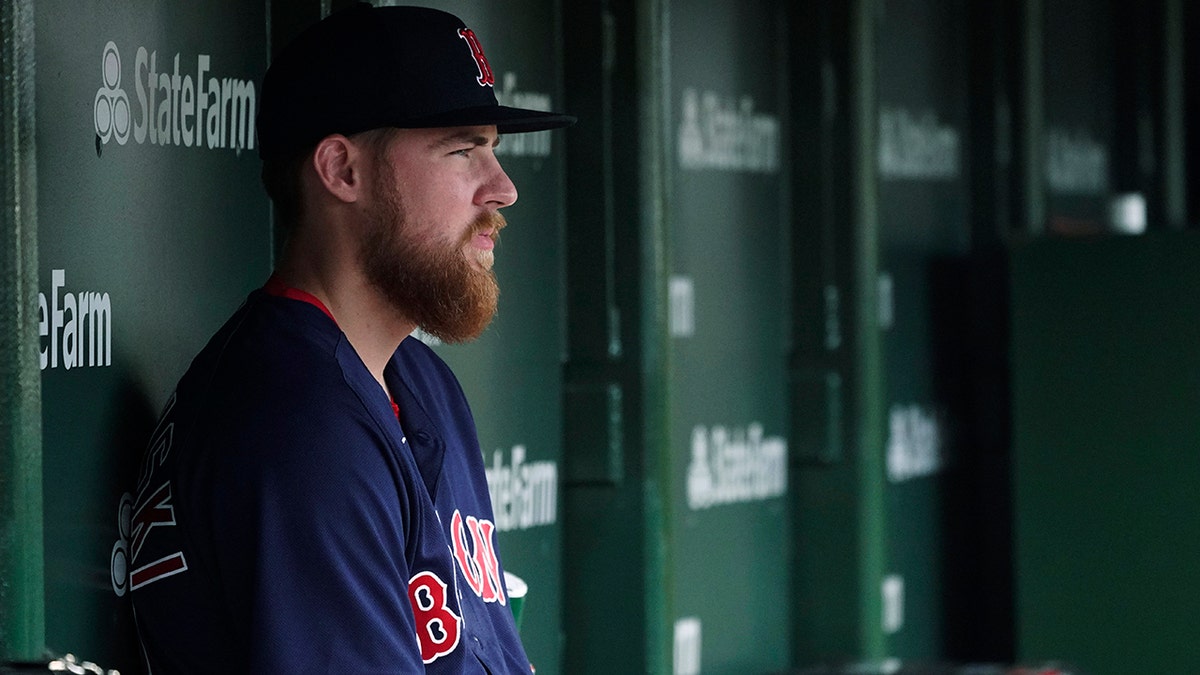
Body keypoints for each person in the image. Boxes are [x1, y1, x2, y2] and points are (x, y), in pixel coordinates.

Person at [127, 3, 574, 672]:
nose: (503, 189)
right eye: (462, 150)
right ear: (342, 171)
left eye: (495, 150)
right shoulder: (297, 426)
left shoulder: (420, 381)